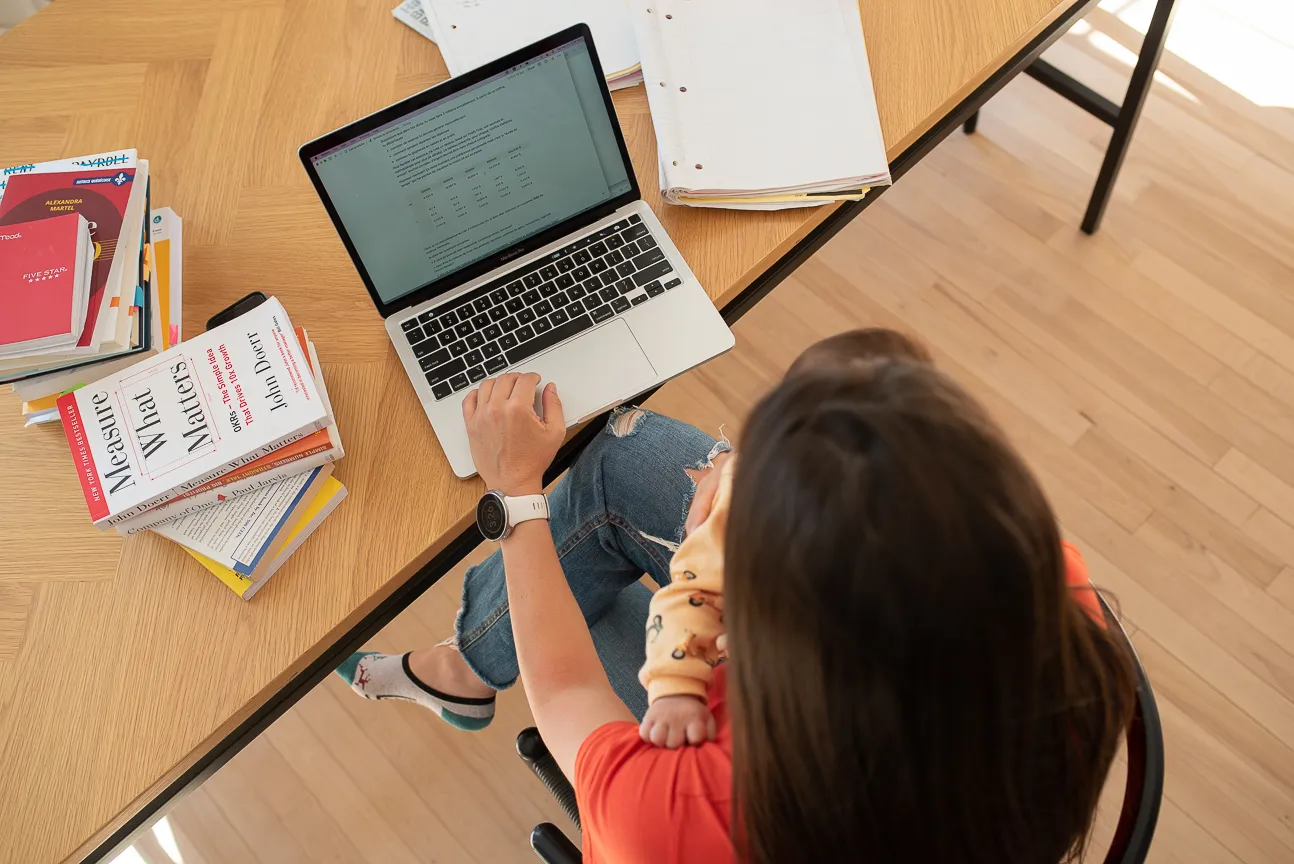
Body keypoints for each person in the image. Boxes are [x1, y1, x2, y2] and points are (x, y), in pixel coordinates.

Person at [337, 334, 1135, 862]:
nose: (726, 474)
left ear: (759, 620)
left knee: (592, 607)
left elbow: (570, 686)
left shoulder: (688, 815)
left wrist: (513, 490)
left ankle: (468, 664)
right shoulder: (1033, 579)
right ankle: (469, 666)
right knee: (627, 453)